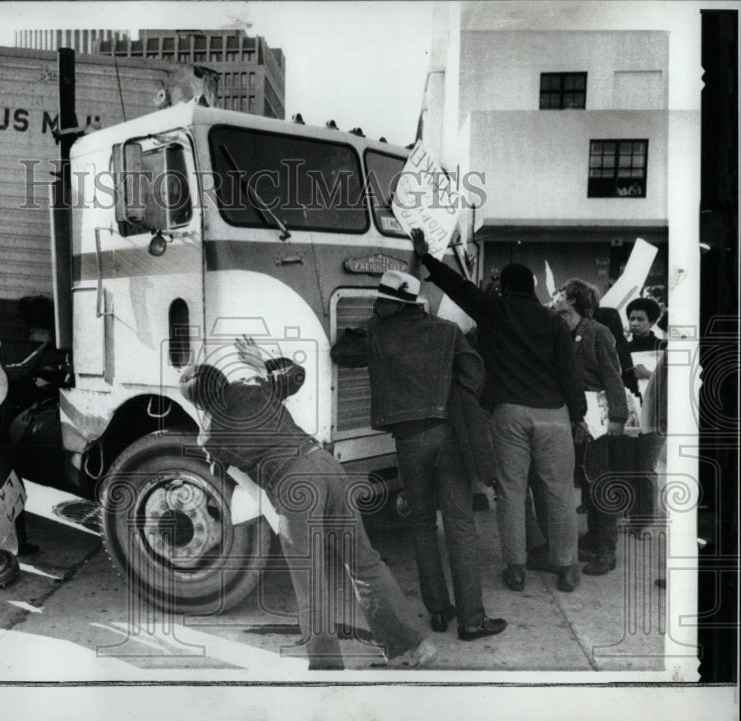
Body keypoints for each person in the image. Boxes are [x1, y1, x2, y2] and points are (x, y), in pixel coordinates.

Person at [180, 338, 438, 670]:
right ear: (224, 379)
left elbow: (226, 471)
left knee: (312, 583)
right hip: (328, 465)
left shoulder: (211, 437)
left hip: (295, 487)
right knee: (365, 564)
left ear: (199, 405)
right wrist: (262, 362)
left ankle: (327, 671)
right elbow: (296, 374)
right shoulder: (257, 388)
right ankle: (412, 648)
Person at [331, 270, 508, 641]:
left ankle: (440, 612)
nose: (375, 306)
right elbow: (474, 375)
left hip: (408, 442)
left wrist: (374, 323)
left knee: (423, 525)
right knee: (459, 525)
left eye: (380, 302)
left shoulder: (377, 335)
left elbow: (341, 353)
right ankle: (472, 620)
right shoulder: (446, 331)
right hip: (447, 436)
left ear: (392, 304)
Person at [412, 230, 586, 593]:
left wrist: (427, 258)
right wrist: (578, 414)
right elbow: (571, 372)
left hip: (508, 413)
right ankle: (567, 567)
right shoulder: (554, 320)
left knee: (511, 491)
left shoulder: (494, 309)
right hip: (553, 414)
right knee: (559, 493)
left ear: (504, 287)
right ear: (533, 287)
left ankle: (516, 568)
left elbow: (457, 286)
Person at [552, 279, 629, 576]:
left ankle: (607, 550)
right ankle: (595, 536)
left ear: (572, 300)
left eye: (561, 294)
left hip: (596, 417)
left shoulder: (598, 332)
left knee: (599, 482)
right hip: (574, 417)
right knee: (587, 480)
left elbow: (613, 377)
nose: (556, 298)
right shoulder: (564, 331)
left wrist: (618, 418)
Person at [624, 297, 667, 532]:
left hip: (656, 415)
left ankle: (645, 522)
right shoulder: (623, 348)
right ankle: (634, 515)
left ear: (652, 322)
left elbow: (677, 383)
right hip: (632, 415)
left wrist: (648, 373)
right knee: (631, 466)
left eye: (641, 319)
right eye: (631, 318)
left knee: (646, 467)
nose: (635, 323)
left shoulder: (664, 347)